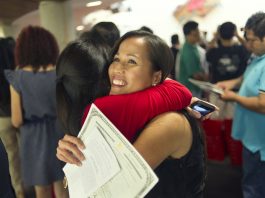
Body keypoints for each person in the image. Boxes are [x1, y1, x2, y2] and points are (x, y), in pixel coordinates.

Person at [57, 30, 206, 197]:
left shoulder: (169, 123)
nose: (118, 68)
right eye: (116, 59)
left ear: (156, 77)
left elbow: (111, 192)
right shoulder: (131, 112)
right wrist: (72, 155)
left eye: (132, 61)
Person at [4, 26, 68, 198]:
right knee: (63, 187)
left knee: (42, 191)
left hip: (33, 139)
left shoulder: (17, 77)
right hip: (60, 133)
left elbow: (16, 120)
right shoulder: (60, 72)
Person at [217, 12, 265, 198]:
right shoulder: (257, 56)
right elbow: (245, 78)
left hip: (260, 144)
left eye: (252, 40)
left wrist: (234, 98)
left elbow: (263, 105)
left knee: (254, 187)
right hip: (252, 137)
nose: (248, 44)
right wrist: (231, 84)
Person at [0, 37, 24, 198]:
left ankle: (20, 191)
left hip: (2, 118)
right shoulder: (17, 71)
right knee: (25, 151)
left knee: (11, 157)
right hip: (23, 115)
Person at [178, 21, 207, 97]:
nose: (199, 36)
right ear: (188, 35)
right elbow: (195, 75)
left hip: (194, 87)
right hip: (190, 89)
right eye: (196, 34)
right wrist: (208, 81)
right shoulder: (188, 51)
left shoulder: (193, 47)